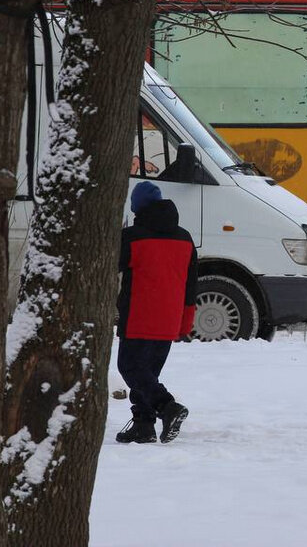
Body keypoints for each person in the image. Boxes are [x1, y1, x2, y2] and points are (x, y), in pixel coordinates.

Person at [115, 181, 197, 444]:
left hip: (139, 314)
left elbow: (110, 265)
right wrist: (185, 321)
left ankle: (167, 407)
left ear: (136, 207)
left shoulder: (132, 237)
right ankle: (143, 424)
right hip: (170, 317)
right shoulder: (185, 238)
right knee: (148, 373)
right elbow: (191, 283)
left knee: (129, 366)